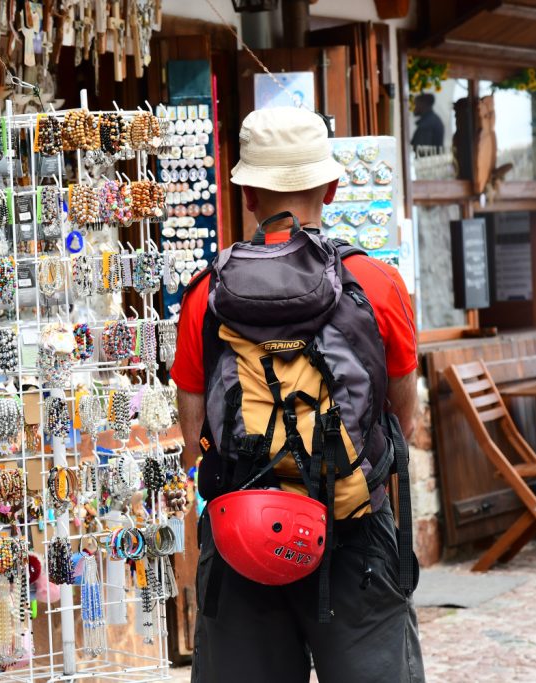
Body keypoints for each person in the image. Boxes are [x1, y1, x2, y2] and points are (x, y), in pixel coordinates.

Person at [173, 107, 425, 683]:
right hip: (354, 531)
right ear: (333, 187)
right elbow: (400, 420)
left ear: (249, 195)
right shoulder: (377, 285)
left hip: (243, 536)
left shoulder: (207, 295)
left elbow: (193, 440)